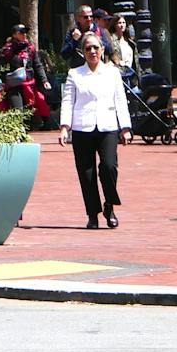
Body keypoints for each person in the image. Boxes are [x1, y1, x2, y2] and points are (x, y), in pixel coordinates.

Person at [59, 35, 131, 229]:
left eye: (96, 48)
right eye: (88, 48)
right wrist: (65, 127)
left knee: (109, 167)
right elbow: (68, 101)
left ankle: (109, 205)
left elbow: (120, 100)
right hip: (83, 127)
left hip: (107, 126)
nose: (92, 52)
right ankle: (93, 214)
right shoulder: (75, 74)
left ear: (102, 50)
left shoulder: (112, 73)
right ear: (82, 52)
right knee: (87, 173)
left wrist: (125, 128)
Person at [0, 24, 52, 125]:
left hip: (29, 85)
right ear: (14, 34)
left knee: (29, 113)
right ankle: (18, 135)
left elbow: (37, 65)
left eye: (25, 32)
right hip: (14, 87)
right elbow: (0, 69)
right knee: (18, 112)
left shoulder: (30, 48)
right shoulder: (6, 51)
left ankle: (26, 134)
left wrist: (44, 80)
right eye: (21, 33)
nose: (24, 35)